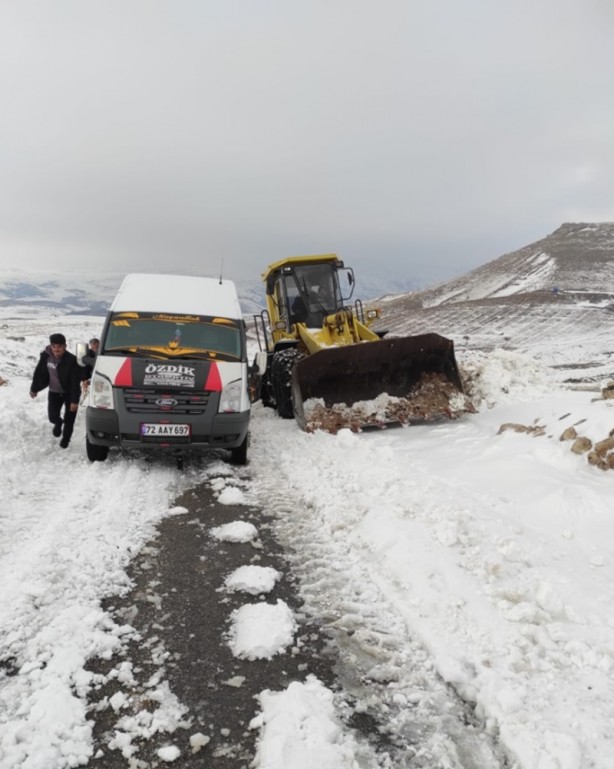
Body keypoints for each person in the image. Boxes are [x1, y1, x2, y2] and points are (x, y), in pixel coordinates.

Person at [30, 333, 82, 449]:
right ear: (51, 346)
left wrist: (74, 400)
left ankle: (66, 439)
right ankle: (58, 423)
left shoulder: (72, 360)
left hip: (69, 393)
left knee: (69, 419)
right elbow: (39, 373)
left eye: (59, 346)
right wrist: (34, 388)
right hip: (54, 392)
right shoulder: (45, 357)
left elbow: (75, 382)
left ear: (65, 346)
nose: (56, 349)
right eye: (54, 346)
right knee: (52, 417)